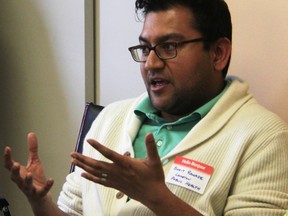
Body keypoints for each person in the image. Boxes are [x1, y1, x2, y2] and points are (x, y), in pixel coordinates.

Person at [4, 0, 288, 215]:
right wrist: (41, 202)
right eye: (145, 48)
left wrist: (156, 198)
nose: (150, 63)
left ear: (218, 53)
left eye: (169, 47)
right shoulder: (110, 119)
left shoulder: (263, 136)